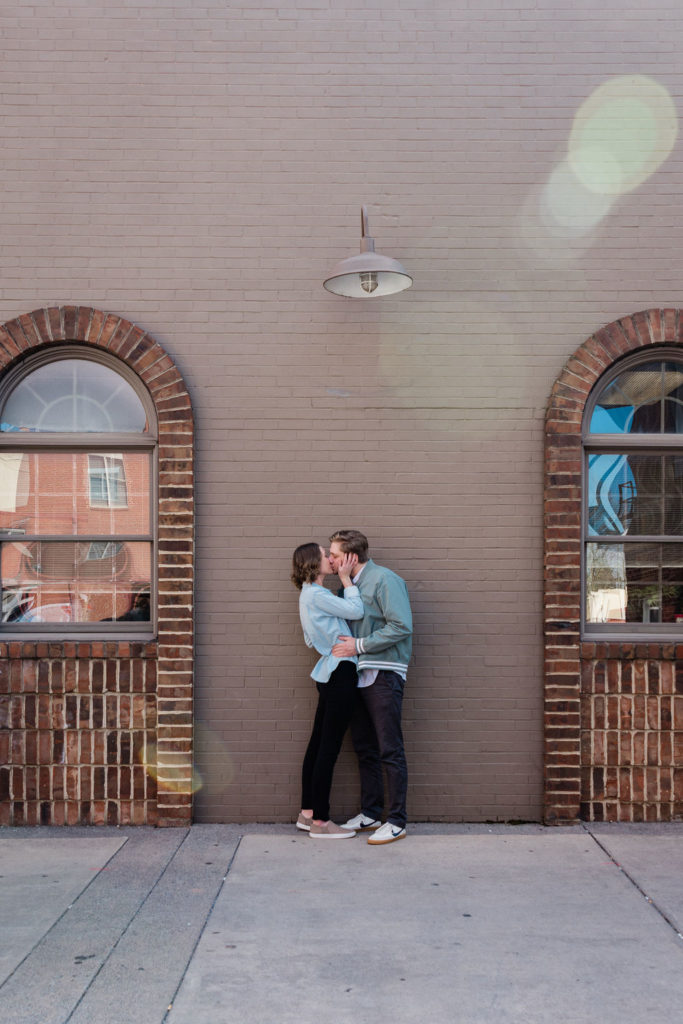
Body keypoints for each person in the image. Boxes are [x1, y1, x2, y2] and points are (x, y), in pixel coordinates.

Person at [329, 530, 412, 845]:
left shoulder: (384, 580)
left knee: (390, 749)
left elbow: (401, 626)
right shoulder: (348, 587)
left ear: (351, 557)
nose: (331, 560)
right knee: (364, 748)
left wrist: (359, 646)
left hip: (385, 672)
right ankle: (371, 812)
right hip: (357, 673)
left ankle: (397, 821)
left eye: (335, 555)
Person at [291, 542, 364, 839]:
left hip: (328, 672)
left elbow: (311, 640)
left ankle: (307, 813)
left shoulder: (307, 596)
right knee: (328, 749)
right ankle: (321, 822)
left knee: (318, 744)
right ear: (313, 562)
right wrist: (346, 579)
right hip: (340, 671)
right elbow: (356, 610)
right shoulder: (317, 594)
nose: (330, 560)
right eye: (325, 555)